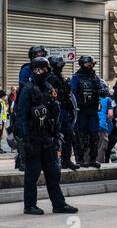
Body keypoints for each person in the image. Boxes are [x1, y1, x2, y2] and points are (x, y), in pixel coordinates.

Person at [15, 57, 78, 216]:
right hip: (33, 136)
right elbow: (21, 116)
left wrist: (57, 135)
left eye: (43, 69)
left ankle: (59, 204)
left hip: (48, 136)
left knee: (53, 172)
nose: (40, 72)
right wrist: (25, 140)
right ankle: (29, 205)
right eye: (37, 69)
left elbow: (55, 114)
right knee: (33, 172)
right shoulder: (27, 89)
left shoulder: (49, 88)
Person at [71, 55, 108, 169]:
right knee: (80, 135)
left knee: (94, 135)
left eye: (91, 64)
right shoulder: (76, 77)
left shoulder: (95, 78)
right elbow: (72, 93)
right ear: (83, 64)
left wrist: (102, 90)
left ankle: (93, 159)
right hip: (81, 111)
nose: (90, 66)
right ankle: (80, 159)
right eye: (88, 64)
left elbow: (105, 91)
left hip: (92, 111)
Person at [47, 56, 79, 171]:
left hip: (64, 110)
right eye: (59, 65)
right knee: (55, 137)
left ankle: (67, 160)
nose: (60, 68)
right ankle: (54, 161)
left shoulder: (61, 78)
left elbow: (68, 95)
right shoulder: (49, 78)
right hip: (54, 111)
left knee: (69, 135)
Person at [97, 83, 114, 164]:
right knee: (101, 148)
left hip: (90, 125)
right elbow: (110, 114)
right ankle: (99, 165)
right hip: (102, 126)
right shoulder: (107, 100)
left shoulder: (91, 97)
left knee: (89, 147)